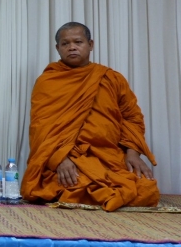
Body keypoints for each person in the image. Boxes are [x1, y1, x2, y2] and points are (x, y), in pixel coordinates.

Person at [22, 22, 159, 211]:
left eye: (78, 42)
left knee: (146, 189)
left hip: (109, 156)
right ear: (57, 48)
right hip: (68, 157)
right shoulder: (48, 81)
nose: (72, 47)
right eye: (65, 43)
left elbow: (132, 118)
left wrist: (133, 153)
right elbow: (41, 129)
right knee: (72, 185)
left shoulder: (111, 78)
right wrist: (59, 159)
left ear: (90, 44)